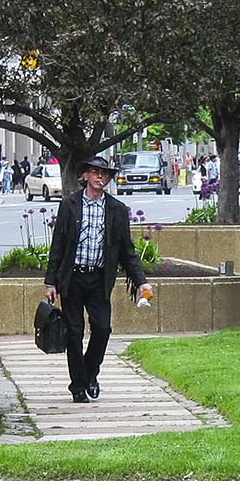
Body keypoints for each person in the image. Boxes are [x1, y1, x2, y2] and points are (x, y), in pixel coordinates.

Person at [41, 157, 152, 404]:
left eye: (105, 174)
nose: (100, 177)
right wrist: (51, 282)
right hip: (72, 278)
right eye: (95, 172)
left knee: (102, 328)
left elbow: (127, 250)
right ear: (86, 176)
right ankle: (78, 385)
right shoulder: (70, 205)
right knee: (74, 333)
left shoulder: (116, 209)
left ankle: (90, 374)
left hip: (99, 279)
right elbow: (57, 245)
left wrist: (141, 281)